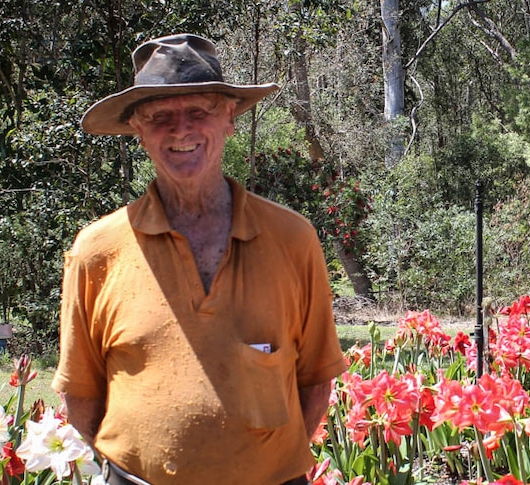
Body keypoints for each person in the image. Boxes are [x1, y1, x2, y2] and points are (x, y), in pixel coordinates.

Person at [51, 33, 347, 485]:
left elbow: (315, 380)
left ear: (229, 117)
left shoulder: (293, 239)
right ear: (137, 130)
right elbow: (82, 396)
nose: (180, 129)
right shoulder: (97, 250)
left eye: (198, 111)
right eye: (159, 117)